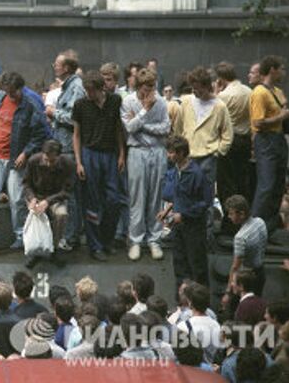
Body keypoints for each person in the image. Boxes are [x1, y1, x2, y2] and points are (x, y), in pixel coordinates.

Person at [0, 71, 48, 250]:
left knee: (16, 198)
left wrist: (26, 152)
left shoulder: (30, 104)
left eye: (12, 92)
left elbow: (39, 133)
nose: (10, 95)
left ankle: (20, 235)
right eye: (7, 91)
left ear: (19, 88)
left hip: (16, 158)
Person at [72, 70, 125, 261]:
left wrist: (121, 153)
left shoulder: (115, 101)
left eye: (91, 90)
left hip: (110, 154)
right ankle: (95, 246)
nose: (89, 94)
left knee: (114, 201)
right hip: (90, 154)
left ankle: (106, 240)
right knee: (91, 202)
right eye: (86, 90)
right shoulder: (81, 105)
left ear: (101, 89)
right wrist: (79, 162)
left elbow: (119, 128)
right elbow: (76, 135)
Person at [121, 68, 170, 261]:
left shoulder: (161, 101)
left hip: (158, 151)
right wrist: (145, 111)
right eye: (147, 87)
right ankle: (135, 240)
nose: (150, 91)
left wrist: (142, 124)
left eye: (153, 86)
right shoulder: (128, 101)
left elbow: (165, 128)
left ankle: (154, 239)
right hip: (137, 151)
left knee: (156, 197)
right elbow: (129, 128)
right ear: (139, 86)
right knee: (137, 197)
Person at [158, 135, 212, 287]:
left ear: (181, 153)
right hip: (178, 228)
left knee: (196, 266)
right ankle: (182, 302)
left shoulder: (197, 174)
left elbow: (205, 202)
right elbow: (176, 194)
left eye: (171, 152)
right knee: (180, 265)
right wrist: (167, 210)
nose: (168, 155)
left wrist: (184, 214)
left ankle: (200, 302)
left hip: (194, 228)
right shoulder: (174, 171)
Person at [46, 51, 85, 252]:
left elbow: (74, 118)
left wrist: (55, 113)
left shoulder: (76, 88)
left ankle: (71, 237)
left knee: (70, 195)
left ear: (67, 68)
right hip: (64, 146)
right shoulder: (68, 86)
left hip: (70, 148)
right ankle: (69, 236)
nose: (55, 66)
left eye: (58, 64)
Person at [173, 66, 233, 188]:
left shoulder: (219, 106)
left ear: (207, 87)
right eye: (193, 88)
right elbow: (178, 128)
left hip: (209, 157)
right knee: (185, 190)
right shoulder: (186, 103)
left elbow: (228, 133)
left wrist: (218, 152)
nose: (195, 92)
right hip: (187, 156)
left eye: (198, 89)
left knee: (206, 192)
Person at [249, 55, 288, 232]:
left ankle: (267, 230)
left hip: (278, 139)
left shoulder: (278, 92)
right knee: (266, 185)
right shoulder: (259, 92)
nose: (284, 72)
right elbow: (257, 122)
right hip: (265, 140)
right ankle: (253, 230)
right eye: (281, 69)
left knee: (278, 185)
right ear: (272, 69)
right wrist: (281, 116)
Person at [22, 140, 74, 261]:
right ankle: (34, 250)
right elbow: (26, 184)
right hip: (37, 196)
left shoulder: (68, 164)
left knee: (61, 214)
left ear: (58, 157)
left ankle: (54, 248)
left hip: (56, 198)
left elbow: (67, 191)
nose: (49, 164)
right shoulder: (33, 161)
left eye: (52, 161)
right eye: (46, 160)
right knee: (35, 214)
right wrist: (32, 198)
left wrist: (48, 201)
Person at [215, 62, 254, 212]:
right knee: (242, 180)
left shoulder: (224, 96)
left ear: (220, 79)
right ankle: (242, 214)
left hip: (229, 141)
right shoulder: (248, 91)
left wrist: (217, 91)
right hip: (244, 140)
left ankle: (230, 219)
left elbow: (216, 118)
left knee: (226, 182)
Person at [222, 195, 267, 303]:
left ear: (242, 214)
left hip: (246, 279)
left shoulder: (240, 237)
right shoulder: (260, 222)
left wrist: (228, 292)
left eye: (231, 213)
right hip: (261, 272)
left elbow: (235, 267)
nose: (229, 216)